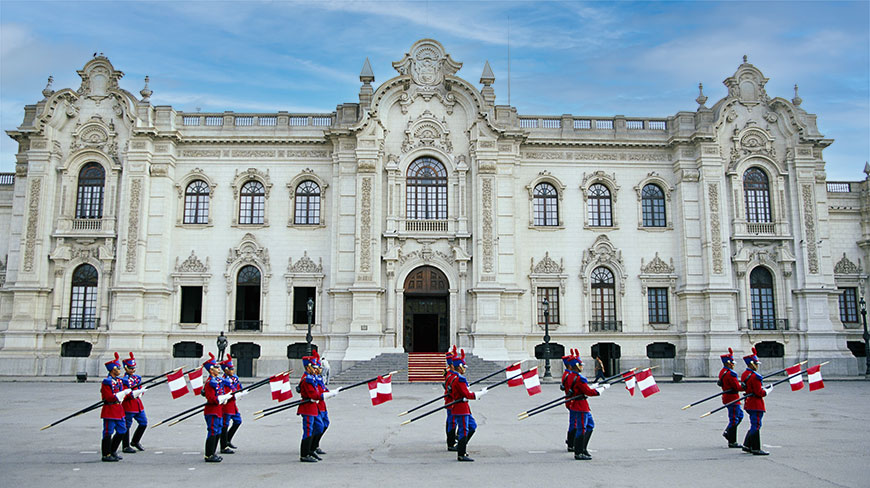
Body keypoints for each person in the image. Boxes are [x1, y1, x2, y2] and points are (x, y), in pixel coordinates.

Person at [565, 351, 609, 460]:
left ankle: (583, 448)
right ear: (576, 366)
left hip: (578, 404)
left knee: (590, 425)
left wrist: (591, 387)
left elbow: (582, 389)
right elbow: (588, 392)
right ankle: (579, 452)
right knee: (582, 428)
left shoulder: (571, 376)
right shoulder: (579, 378)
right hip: (580, 406)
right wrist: (600, 390)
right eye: (580, 365)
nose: (581, 367)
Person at [447, 349, 488, 462]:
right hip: (461, 408)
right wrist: (480, 393)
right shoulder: (459, 379)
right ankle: (461, 453)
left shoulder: (457, 378)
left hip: (463, 407)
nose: (464, 369)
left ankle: (460, 447)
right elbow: (466, 394)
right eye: (463, 366)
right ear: (459, 367)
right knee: (464, 430)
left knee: (472, 426)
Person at [297, 353, 338, 462]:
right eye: (314, 367)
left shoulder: (313, 378)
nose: (316, 369)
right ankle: (305, 454)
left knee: (319, 427)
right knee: (308, 431)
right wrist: (326, 395)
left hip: (314, 407)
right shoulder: (307, 380)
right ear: (308, 367)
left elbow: (320, 391)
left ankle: (311, 449)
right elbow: (314, 395)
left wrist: (328, 393)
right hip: (308, 408)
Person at [742, 348, 772, 456]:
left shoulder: (745, 374)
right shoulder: (755, 376)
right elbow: (759, 392)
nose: (757, 365)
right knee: (756, 424)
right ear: (752, 364)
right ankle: (755, 448)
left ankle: (747, 445)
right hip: (756, 404)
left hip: (749, 402)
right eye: (756, 363)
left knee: (754, 424)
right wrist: (766, 391)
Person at [100, 352, 130, 462]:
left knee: (122, 430)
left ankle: (113, 450)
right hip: (110, 409)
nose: (120, 370)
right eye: (118, 368)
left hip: (119, 409)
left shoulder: (119, 381)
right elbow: (108, 397)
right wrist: (120, 395)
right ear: (113, 369)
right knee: (108, 432)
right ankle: (106, 454)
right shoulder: (106, 382)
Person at [202, 353, 228, 463]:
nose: (218, 369)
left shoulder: (216, 380)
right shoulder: (210, 382)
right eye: (216, 367)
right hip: (212, 411)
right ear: (211, 370)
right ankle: (209, 455)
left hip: (218, 410)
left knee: (217, 431)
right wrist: (222, 398)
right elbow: (212, 398)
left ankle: (213, 452)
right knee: (212, 431)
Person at [121, 352, 148, 453]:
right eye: (130, 368)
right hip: (128, 405)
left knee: (143, 423)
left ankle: (135, 441)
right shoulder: (124, 380)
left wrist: (140, 392)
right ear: (126, 368)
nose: (132, 370)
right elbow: (124, 393)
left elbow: (139, 388)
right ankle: (125, 445)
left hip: (138, 405)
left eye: (133, 368)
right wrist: (133, 394)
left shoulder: (137, 378)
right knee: (127, 426)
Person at [219, 354, 246, 454]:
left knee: (238, 421)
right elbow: (223, 393)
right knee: (225, 425)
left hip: (233, 404)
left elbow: (239, 388)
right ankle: (223, 446)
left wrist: (241, 392)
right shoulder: (223, 380)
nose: (232, 370)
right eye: (230, 369)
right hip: (226, 405)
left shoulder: (234, 378)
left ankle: (228, 439)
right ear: (226, 370)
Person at [717, 348, 743, 448]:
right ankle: (732, 441)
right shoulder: (731, 373)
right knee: (734, 419)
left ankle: (728, 432)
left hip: (727, 397)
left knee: (739, 416)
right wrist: (745, 387)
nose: (733, 364)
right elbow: (737, 387)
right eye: (732, 362)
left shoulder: (722, 371)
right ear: (728, 363)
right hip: (733, 398)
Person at [561, 348, 579, 452]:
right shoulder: (569, 375)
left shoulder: (568, 374)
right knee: (574, 422)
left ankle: (571, 441)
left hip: (570, 400)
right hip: (572, 400)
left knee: (574, 421)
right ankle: (571, 443)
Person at [444, 345, 458, 451]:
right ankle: (451, 442)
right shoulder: (453, 376)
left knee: (451, 421)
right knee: (452, 421)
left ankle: (451, 439)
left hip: (451, 401)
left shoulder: (451, 374)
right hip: (453, 402)